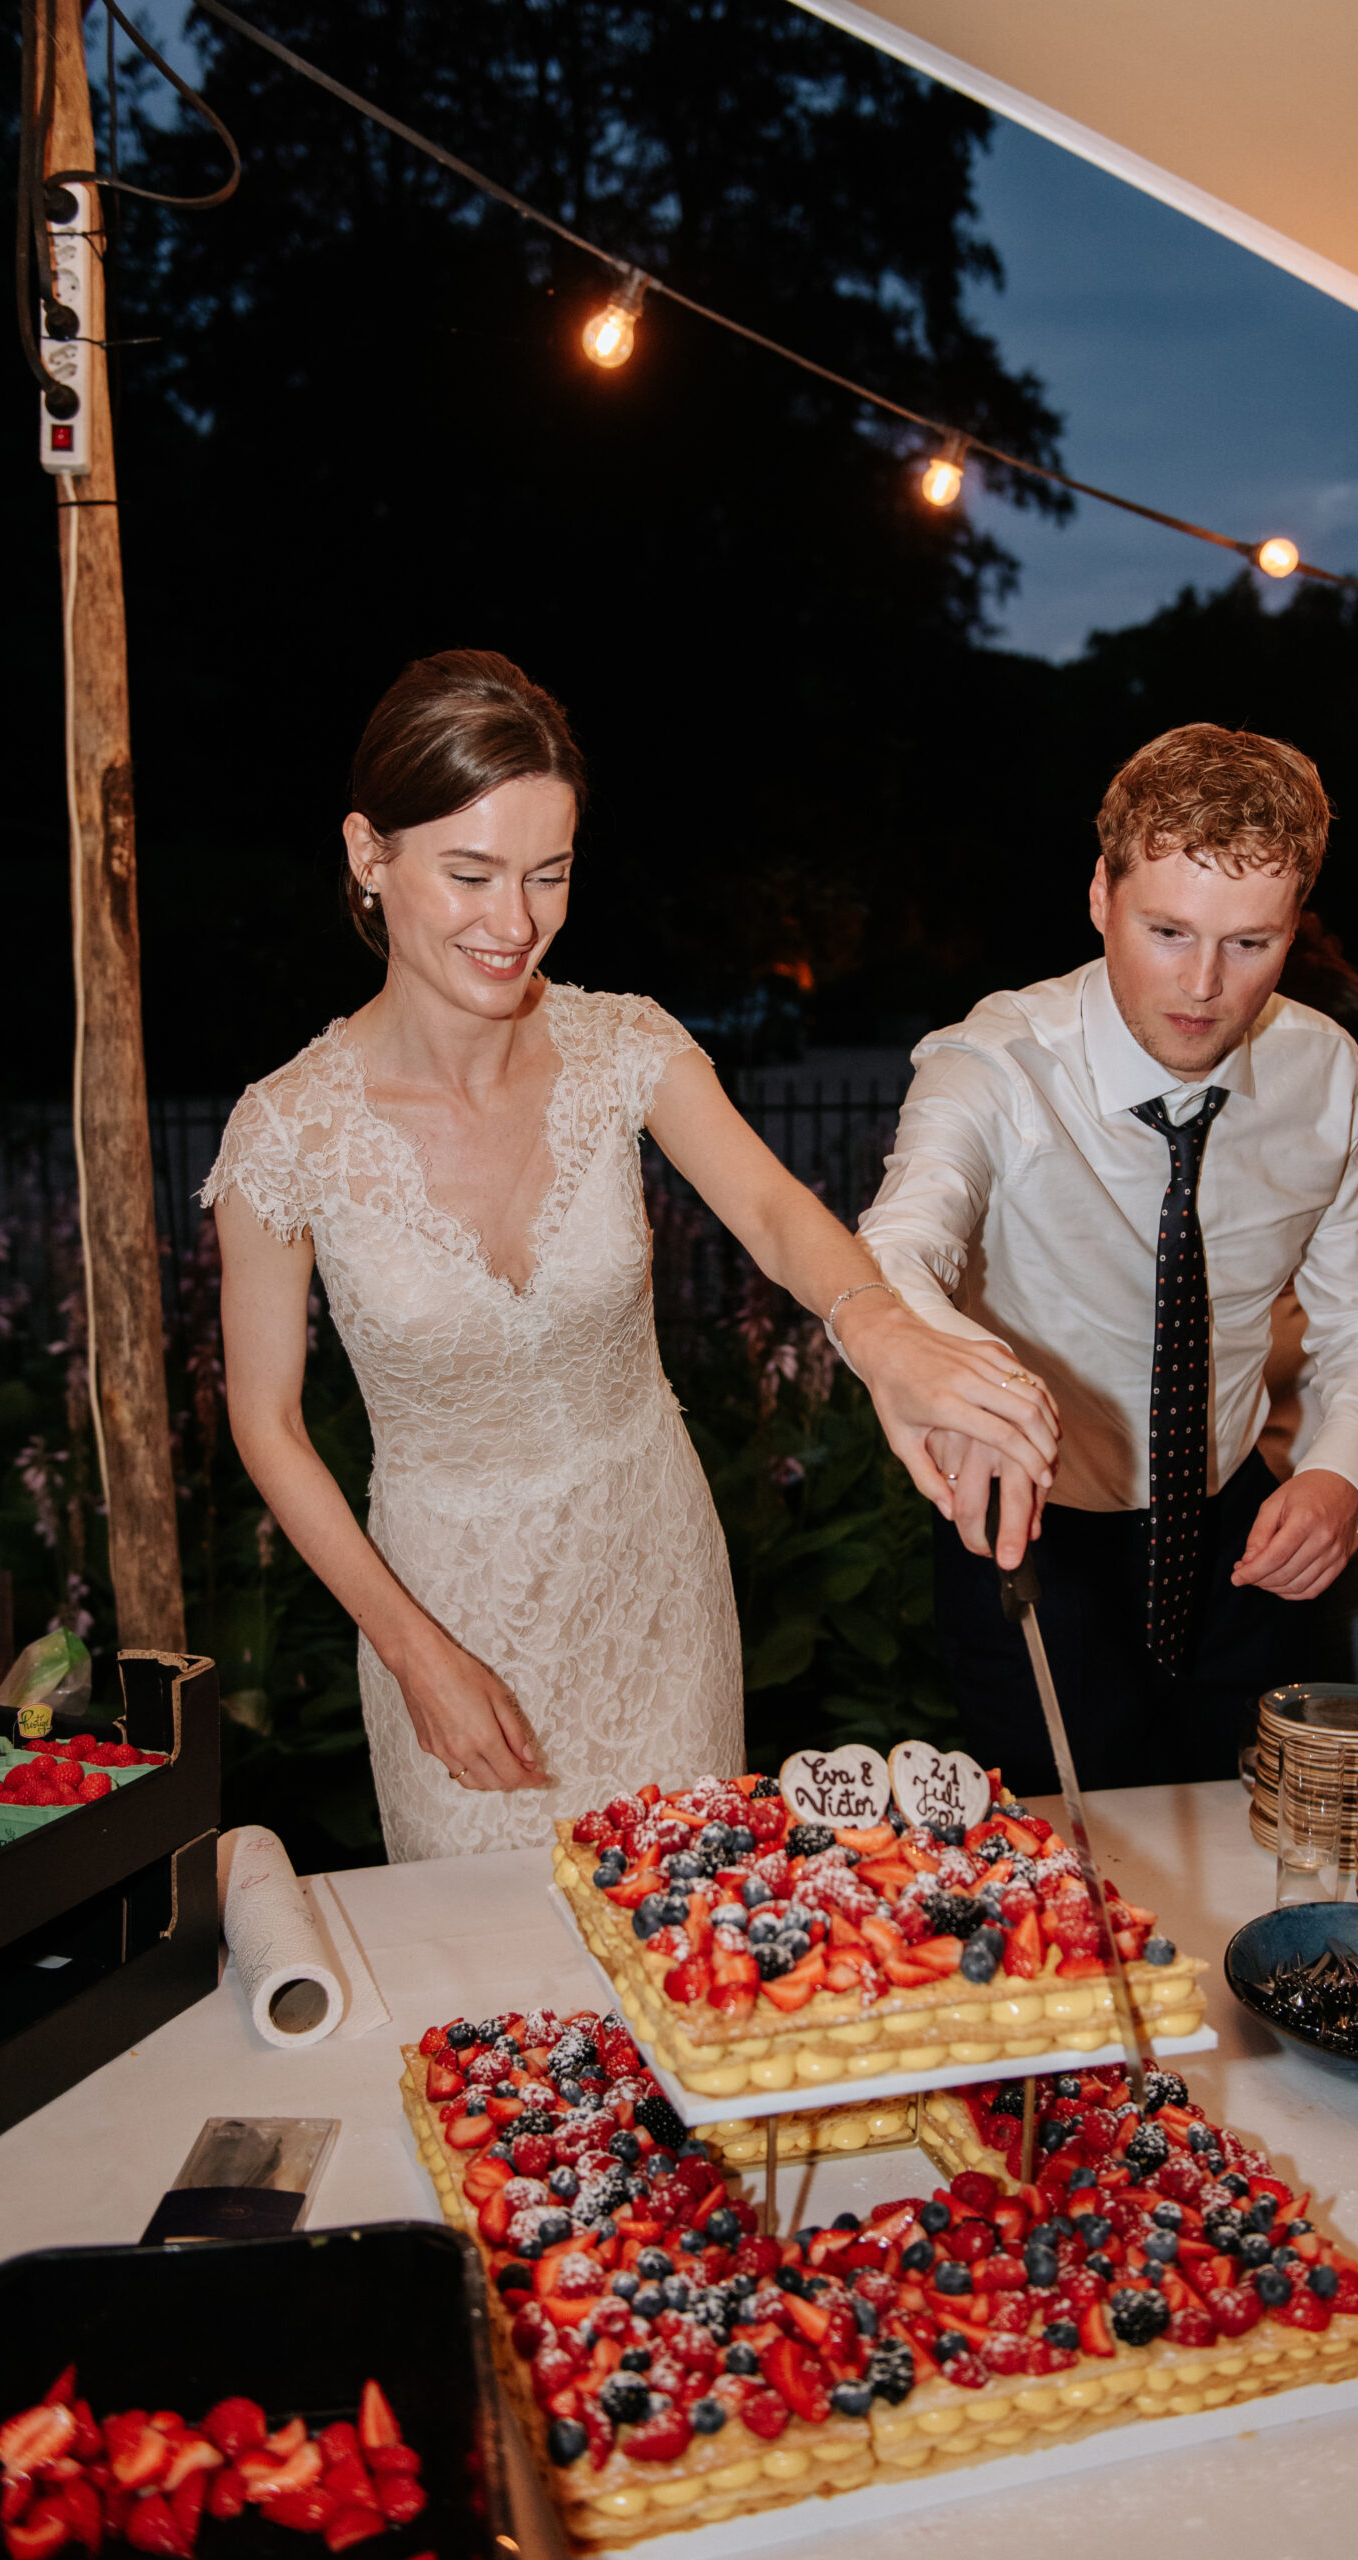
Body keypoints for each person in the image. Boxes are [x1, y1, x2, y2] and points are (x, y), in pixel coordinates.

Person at [205, 650, 1059, 1859]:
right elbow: (267, 1423)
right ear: (367, 853)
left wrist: (885, 1338)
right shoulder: (283, 1131)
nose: (515, 922)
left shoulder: (624, 1046)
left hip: (655, 1590)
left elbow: (774, 1214)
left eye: (547, 874)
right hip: (445, 1614)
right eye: (470, 873)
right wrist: (411, 1651)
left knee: (689, 1923)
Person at [859, 722, 1358, 1794]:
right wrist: (942, 1381)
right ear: (1099, 897)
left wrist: (1340, 1472)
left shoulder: (1322, 1070)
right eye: (1167, 931)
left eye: (1249, 944)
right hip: (1033, 1536)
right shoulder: (992, 1060)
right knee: (1074, 1859)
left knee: (1250, 1842)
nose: (1202, 984)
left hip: (1240, 1531)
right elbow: (896, 1250)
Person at [1256, 915, 1358, 1688]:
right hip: (1244, 1522)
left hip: (1321, 1503)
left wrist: (1341, 1471)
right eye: (1356, 1108)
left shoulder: (1335, 1194)